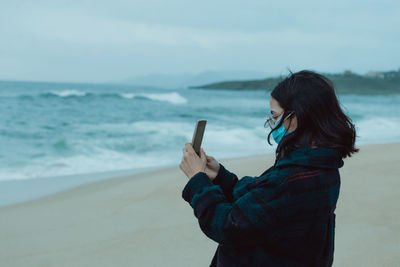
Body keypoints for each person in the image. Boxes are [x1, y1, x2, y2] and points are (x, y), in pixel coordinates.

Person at [179, 70, 358, 267]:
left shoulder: (290, 178)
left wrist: (198, 181)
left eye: (274, 115)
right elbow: (263, 202)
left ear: (295, 116)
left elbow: (229, 226)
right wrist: (220, 176)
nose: (271, 123)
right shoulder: (323, 165)